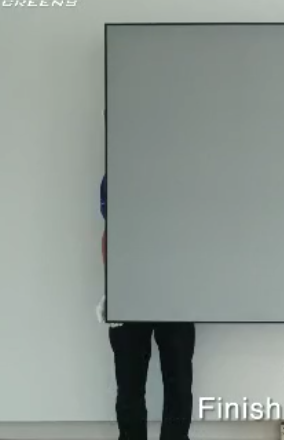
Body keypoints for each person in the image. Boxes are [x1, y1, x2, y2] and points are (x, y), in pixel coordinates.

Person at [99, 174, 197, 440]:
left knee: (178, 382)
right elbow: (111, 230)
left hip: (176, 290)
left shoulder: (183, 174)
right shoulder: (118, 171)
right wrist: (113, 288)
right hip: (130, 288)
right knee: (130, 385)